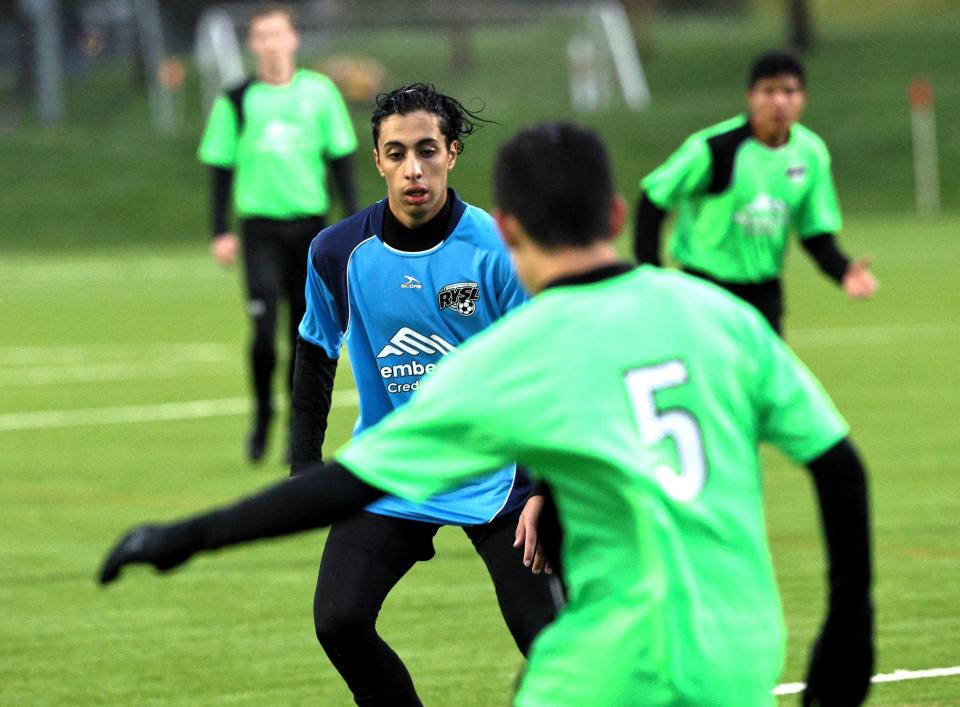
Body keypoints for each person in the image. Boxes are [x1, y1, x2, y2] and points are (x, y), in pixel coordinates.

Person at [101, 121, 875, 707]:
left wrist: (186, 536)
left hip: (603, 668)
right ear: (613, 210)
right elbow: (839, 465)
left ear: (505, 227)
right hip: (739, 651)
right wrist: (848, 629)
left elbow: (338, 486)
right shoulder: (715, 315)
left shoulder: (517, 360)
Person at [287, 82, 557, 705]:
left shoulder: (500, 249)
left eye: (428, 150)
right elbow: (313, 352)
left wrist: (548, 489)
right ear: (378, 159)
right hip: (396, 472)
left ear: (452, 153)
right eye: (398, 152)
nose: (414, 168)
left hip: (501, 477)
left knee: (550, 644)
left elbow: (546, 371)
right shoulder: (336, 253)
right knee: (339, 621)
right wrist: (305, 465)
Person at [197, 3, 359, 462]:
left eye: (278, 34)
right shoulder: (237, 99)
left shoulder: (319, 92)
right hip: (259, 230)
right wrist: (219, 230)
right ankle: (262, 416)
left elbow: (342, 161)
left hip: (310, 229)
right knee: (264, 330)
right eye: (262, 35)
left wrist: (354, 226)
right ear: (253, 45)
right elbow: (220, 168)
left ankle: (297, 430)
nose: (271, 43)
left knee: (304, 334)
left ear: (293, 39)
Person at [634, 49, 878, 334]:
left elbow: (815, 233)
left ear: (803, 99)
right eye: (768, 91)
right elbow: (654, 197)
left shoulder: (810, 154)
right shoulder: (715, 149)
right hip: (707, 288)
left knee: (770, 378)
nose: (779, 102)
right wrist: (651, 276)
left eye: (789, 92)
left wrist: (843, 271)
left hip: (764, 293)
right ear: (750, 97)